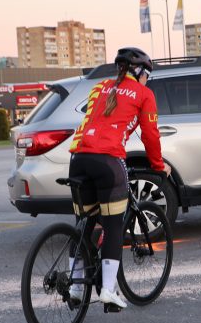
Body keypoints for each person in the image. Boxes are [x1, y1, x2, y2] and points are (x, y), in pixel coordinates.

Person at [67, 47, 171, 308]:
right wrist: (159, 166)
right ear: (141, 72)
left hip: (78, 159)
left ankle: (76, 286)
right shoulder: (144, 94)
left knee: (84, 224)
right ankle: (109, 290)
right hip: (108, 161)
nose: (148, 79)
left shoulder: (100, 87)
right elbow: (150, 135)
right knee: (113, 226)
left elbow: (94, 119)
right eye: (148, 74)